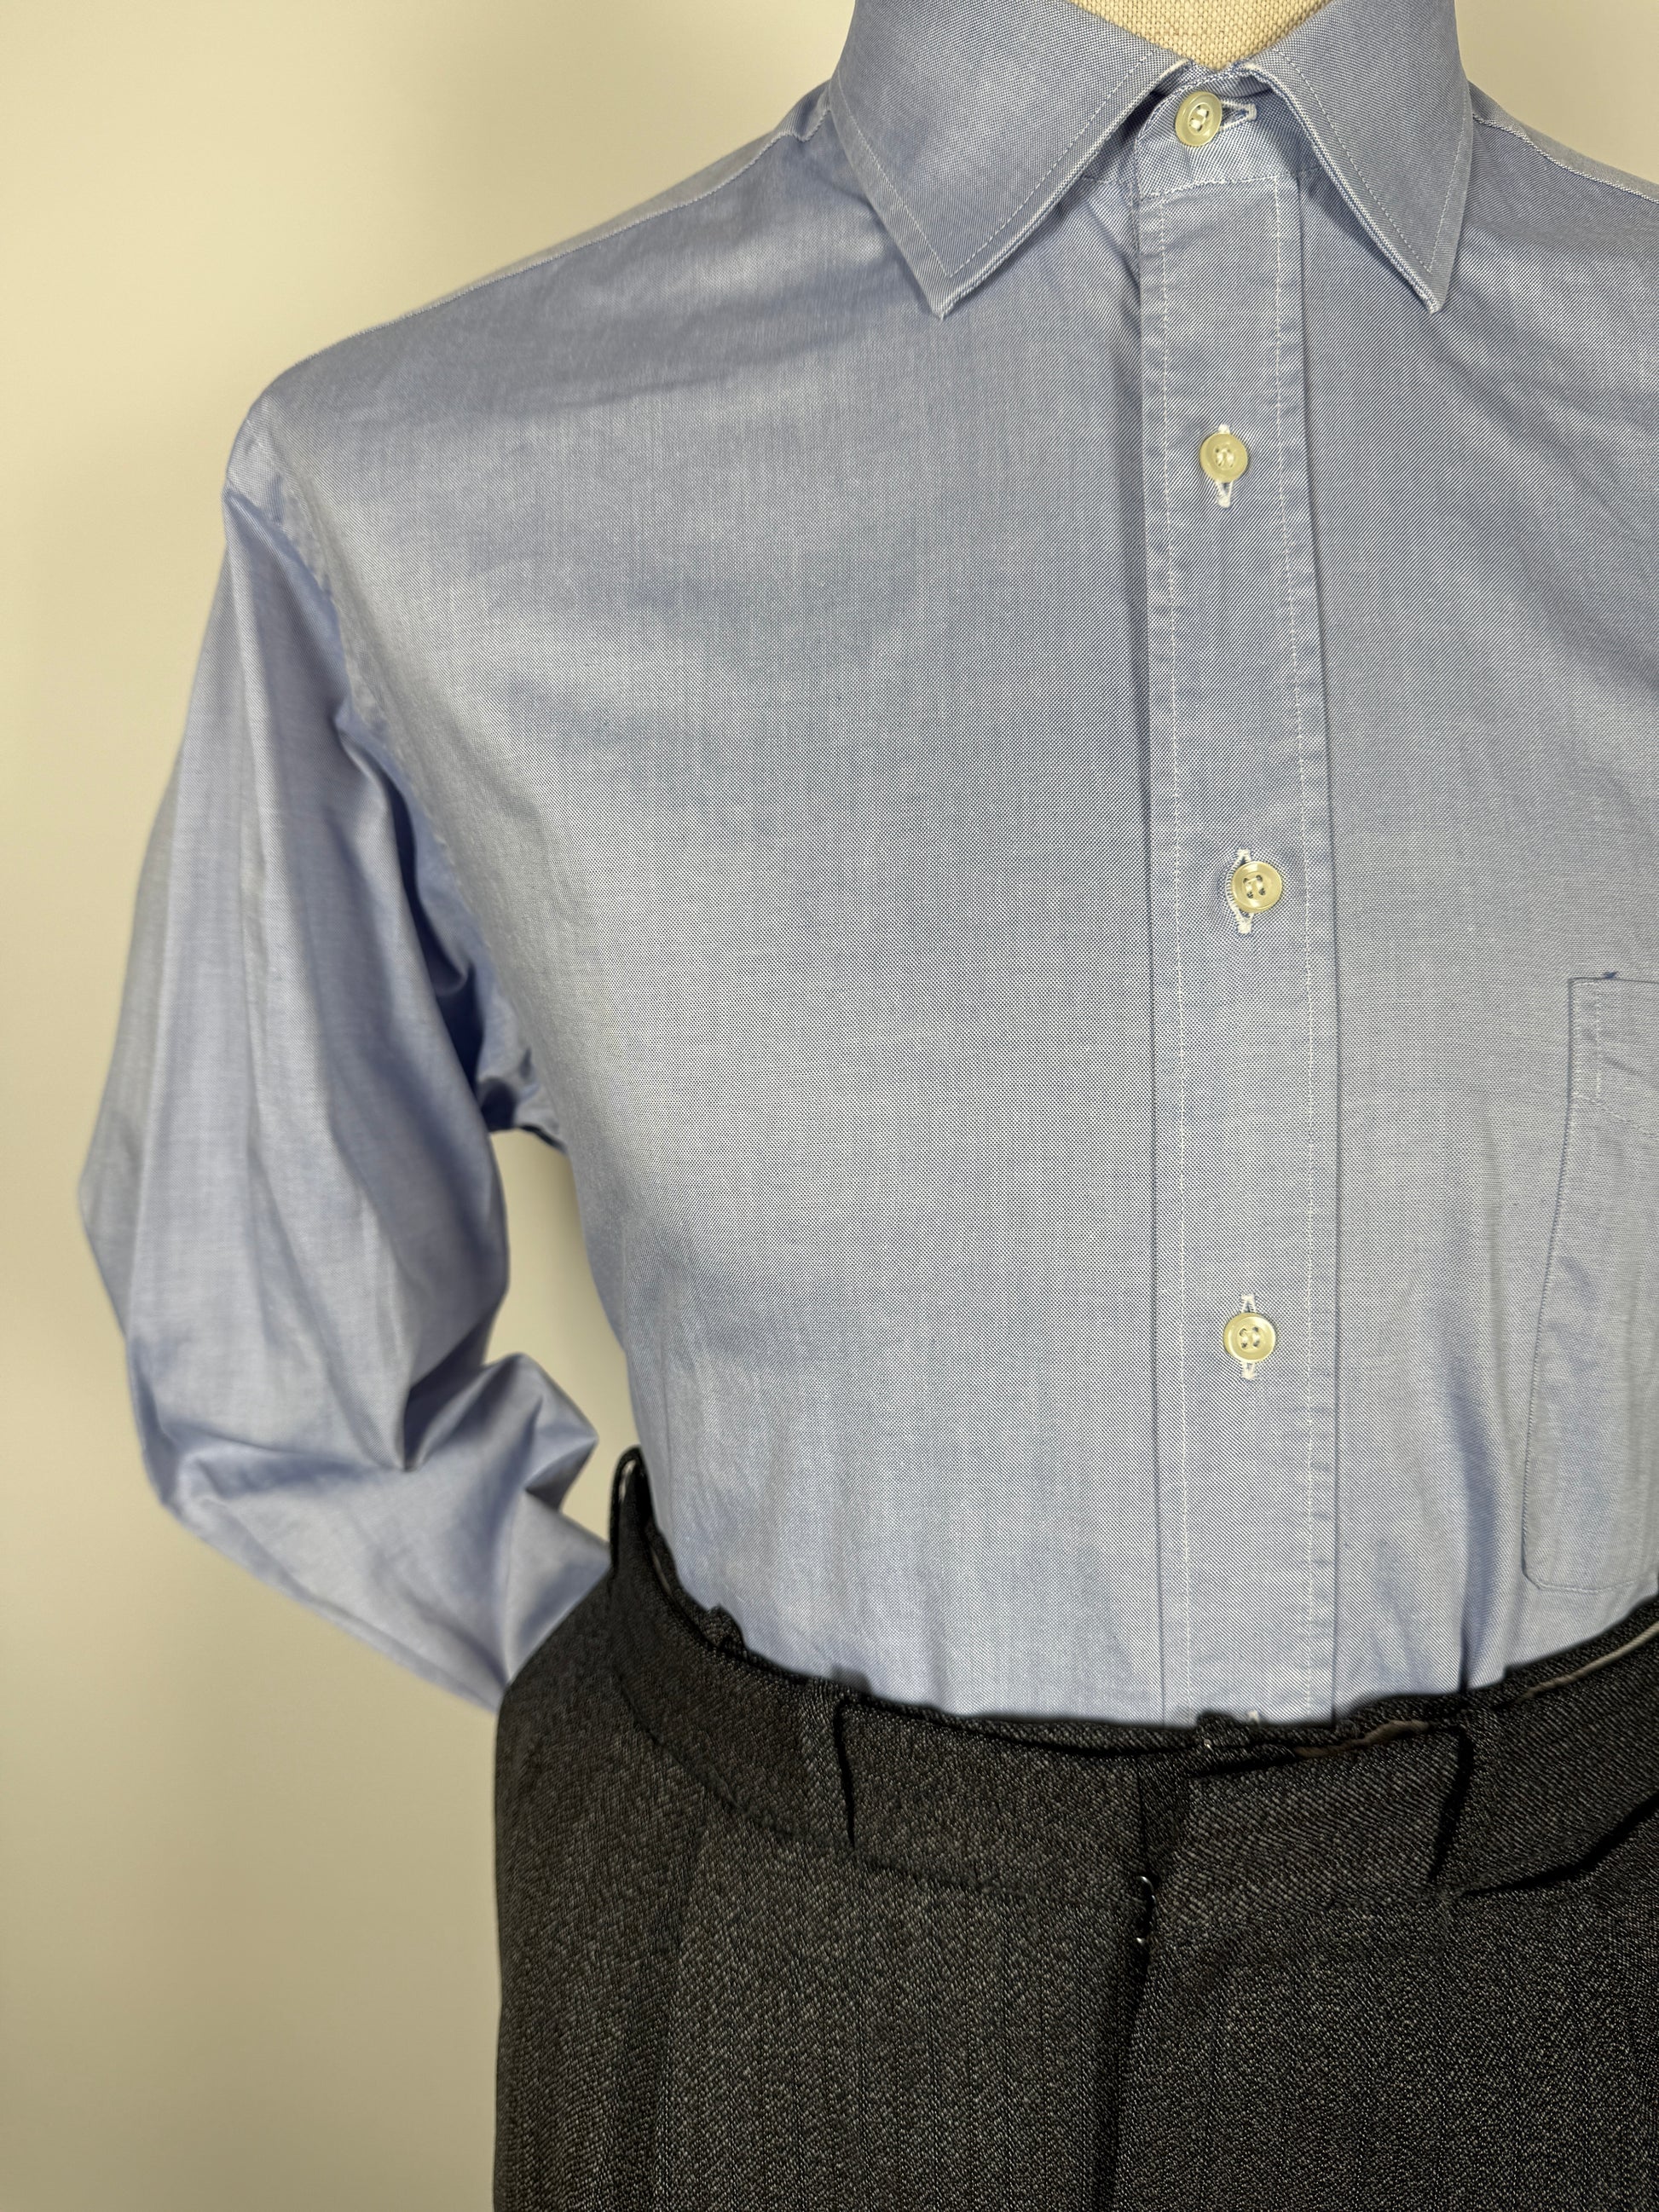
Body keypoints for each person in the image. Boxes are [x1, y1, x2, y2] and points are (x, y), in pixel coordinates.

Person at [79, 0, 1659, 2199]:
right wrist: (711, 1750)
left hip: (1594, 1963)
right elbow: (266, 1335)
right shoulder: (424, 471)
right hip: (771, 1978)